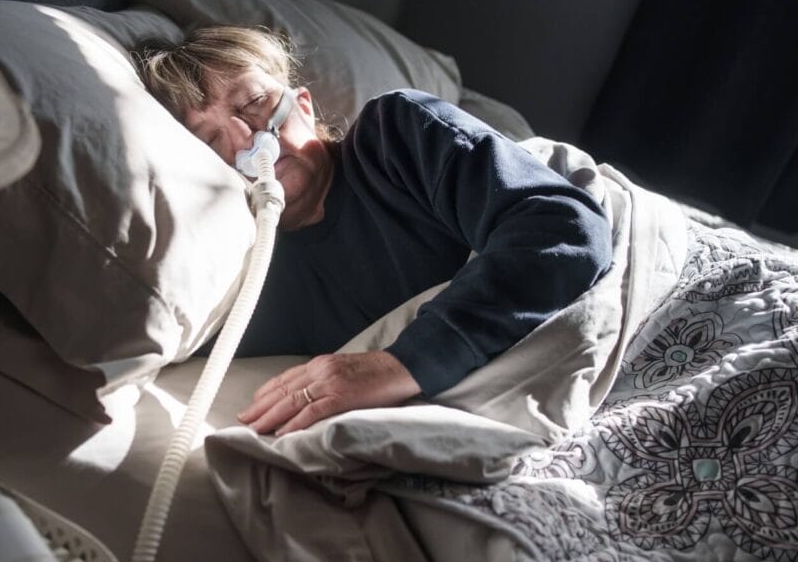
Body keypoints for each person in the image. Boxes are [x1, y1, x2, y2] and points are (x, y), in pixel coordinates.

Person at [139, 26, 612, 437]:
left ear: (302, 103)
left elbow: (564, 226)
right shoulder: (240, 284)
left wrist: (397, 366)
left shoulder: (396, 137)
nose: (247, 138)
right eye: (210, 139)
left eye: (255, 102)